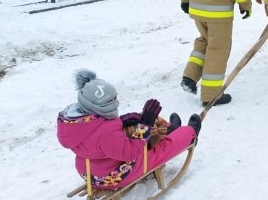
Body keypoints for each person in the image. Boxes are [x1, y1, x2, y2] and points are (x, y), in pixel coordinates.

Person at [56, 69, 200, 190]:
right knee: (159, 149)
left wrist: (127, 122)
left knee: (135, 125)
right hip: (114, 176)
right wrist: (145, 124)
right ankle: (189, 133)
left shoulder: (76, 122)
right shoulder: (106, 132)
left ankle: (170, 129)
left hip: (88, 172)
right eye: (111, 101)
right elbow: (130, 153)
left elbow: (101, 138)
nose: (116, 103)